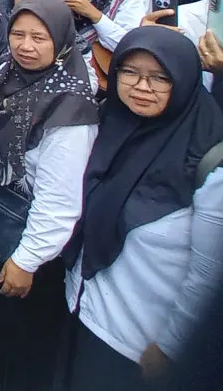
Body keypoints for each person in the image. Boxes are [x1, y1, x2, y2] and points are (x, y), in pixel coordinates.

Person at [64, 26, 223, 390]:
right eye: (130, 72)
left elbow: (208, 272)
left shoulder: (209, 161)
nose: (141, 87)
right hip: (81, 314)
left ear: (184, 79)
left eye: (159, 77)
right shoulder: (108, 124)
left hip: (137, 345)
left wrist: (170, 346)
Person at [0, 0, 98, 391]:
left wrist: (27, 261)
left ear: (61, 41)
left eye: (39, 37)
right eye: (18, 34)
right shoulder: (4, 75)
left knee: (21, 359)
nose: (25, 45)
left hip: (30, 253)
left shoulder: (69, 108)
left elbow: (59, 201)